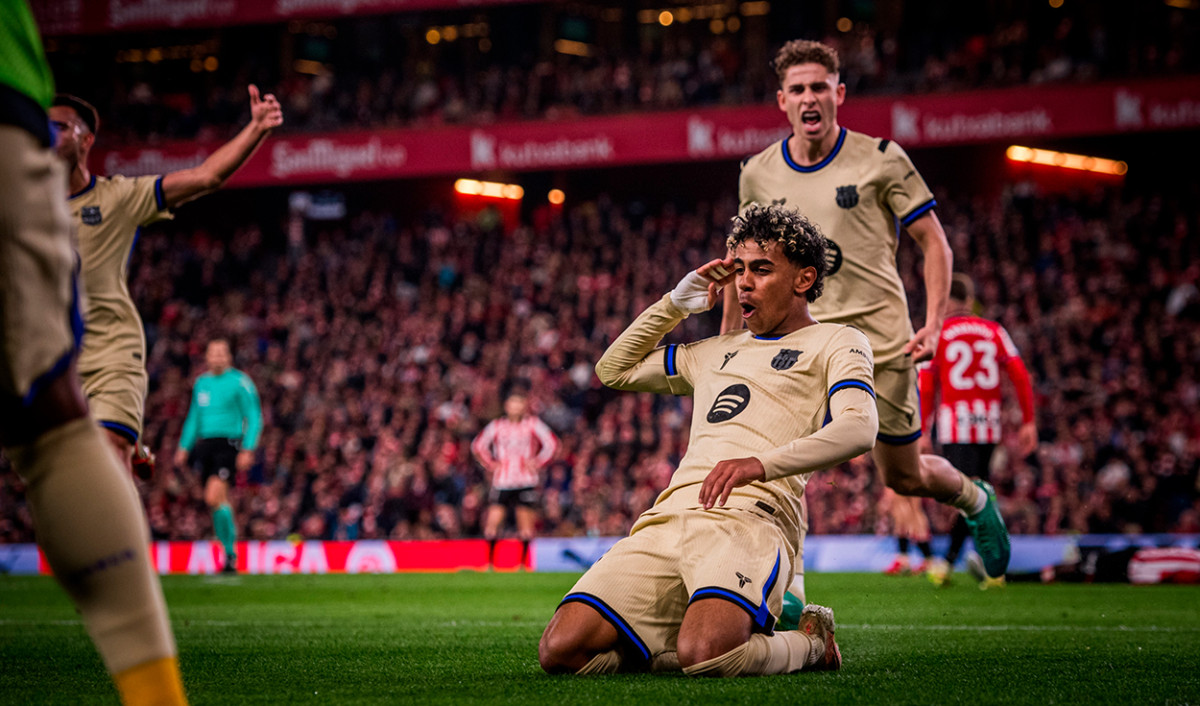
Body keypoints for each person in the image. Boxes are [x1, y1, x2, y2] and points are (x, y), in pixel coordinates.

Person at [539, 203, 877, 677]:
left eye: (762, 269)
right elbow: (613, 370)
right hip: (668, 517)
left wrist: (759, 464)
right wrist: (676, 303)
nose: (744, 283)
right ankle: (669, 653)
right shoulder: (713, 351)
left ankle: (812, 644)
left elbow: (859, 428)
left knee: (707, 656)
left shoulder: (838, 341)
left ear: (804, 279)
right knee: (561, 651)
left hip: (751, 519)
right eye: (740, 270)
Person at [729, 41, 1010, 595]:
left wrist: (934, 323)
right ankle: (786, 591)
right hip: (799, 342)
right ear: (782, 100)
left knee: (906, 476)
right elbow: (744, 263)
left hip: (880, 343)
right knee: (772, 463)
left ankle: (975, 498)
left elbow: (934, 242)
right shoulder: (757, 173)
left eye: (819, 87)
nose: (809, 98)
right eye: (798, 89)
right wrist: (729, 342)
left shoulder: (882, 158)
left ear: (838, 94)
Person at [0, 3, 187, 703]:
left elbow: (199, 181)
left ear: (84, 138)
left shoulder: (115, 198)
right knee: (54, 435)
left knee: (59, 432)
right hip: (5, 105)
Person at [49, 84, 281, 479]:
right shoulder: (19, 207)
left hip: (109, 352)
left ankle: (123, 442)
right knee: (61, 476)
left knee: (106, 455)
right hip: (49, 360)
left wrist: (256, 128)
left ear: (86, 141)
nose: (47, 134)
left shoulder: (118, 198)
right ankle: (133, 444)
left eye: (60, 127)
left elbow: (206, 176)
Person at [919, 273, 1037, 586]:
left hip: (955, 425)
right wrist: (1028, 421)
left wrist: (923, 429)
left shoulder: (940, 333)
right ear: (970, 301)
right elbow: (1020, 374)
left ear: (946, 302)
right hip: (988, 424)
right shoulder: (994, 330)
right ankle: (980, 565)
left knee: (970, 494)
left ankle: (958, 564)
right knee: (976, 491)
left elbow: (927, 384)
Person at [173, 339, 263, 574]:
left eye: (222, 353)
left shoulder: (240, 382)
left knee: (213, 496)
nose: (218, 357)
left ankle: (230, 551)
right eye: (214, 353)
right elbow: (194, 417)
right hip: (206, 445)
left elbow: (254, 416)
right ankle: (229, 555)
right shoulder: (201, 383)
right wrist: (183, 447)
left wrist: (248, 448)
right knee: (216, 501)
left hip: (228, 444)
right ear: (207, 357)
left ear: (229, 356)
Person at [471, 391, 559, 570]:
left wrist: (538, 462)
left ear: (524, 406)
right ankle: (489, 563)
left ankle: (522, 564)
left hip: (526, 481)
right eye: (513, 403)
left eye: (519, 403)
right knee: (492, 523)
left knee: (525, 525)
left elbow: (553, 443)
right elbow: (478, 445)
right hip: (502, 481)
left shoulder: (532, 424)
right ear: (506, 406)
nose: (516, 407)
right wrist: (490, 464)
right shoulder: (497, 426)